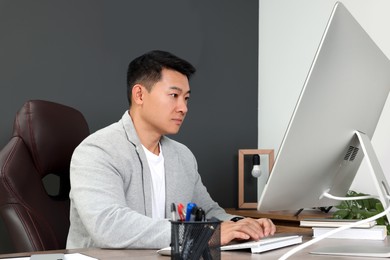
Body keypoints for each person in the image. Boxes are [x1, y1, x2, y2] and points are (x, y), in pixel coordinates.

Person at [66, 50, 276, 249]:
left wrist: (243, 224)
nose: (183, 108)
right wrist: (206, 233)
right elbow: (109, 225)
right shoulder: (97, 151)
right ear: (139, 95)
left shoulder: (182, 156)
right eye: (174, 95)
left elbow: (209, 211)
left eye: (186, 98)